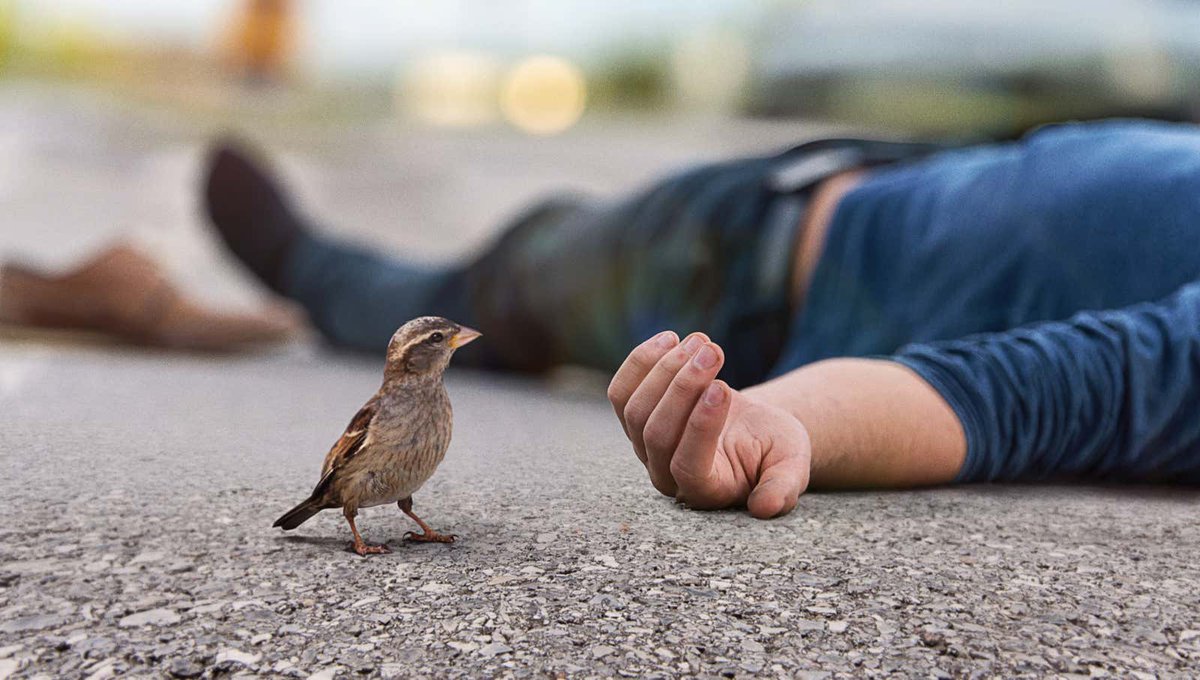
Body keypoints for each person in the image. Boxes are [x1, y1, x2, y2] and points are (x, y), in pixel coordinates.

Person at [198, 119, 1200, 518]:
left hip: (742, 259)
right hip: (873, 175)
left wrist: (783, 422)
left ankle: (304, 268)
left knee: (491, 288)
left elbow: (1049, 391)